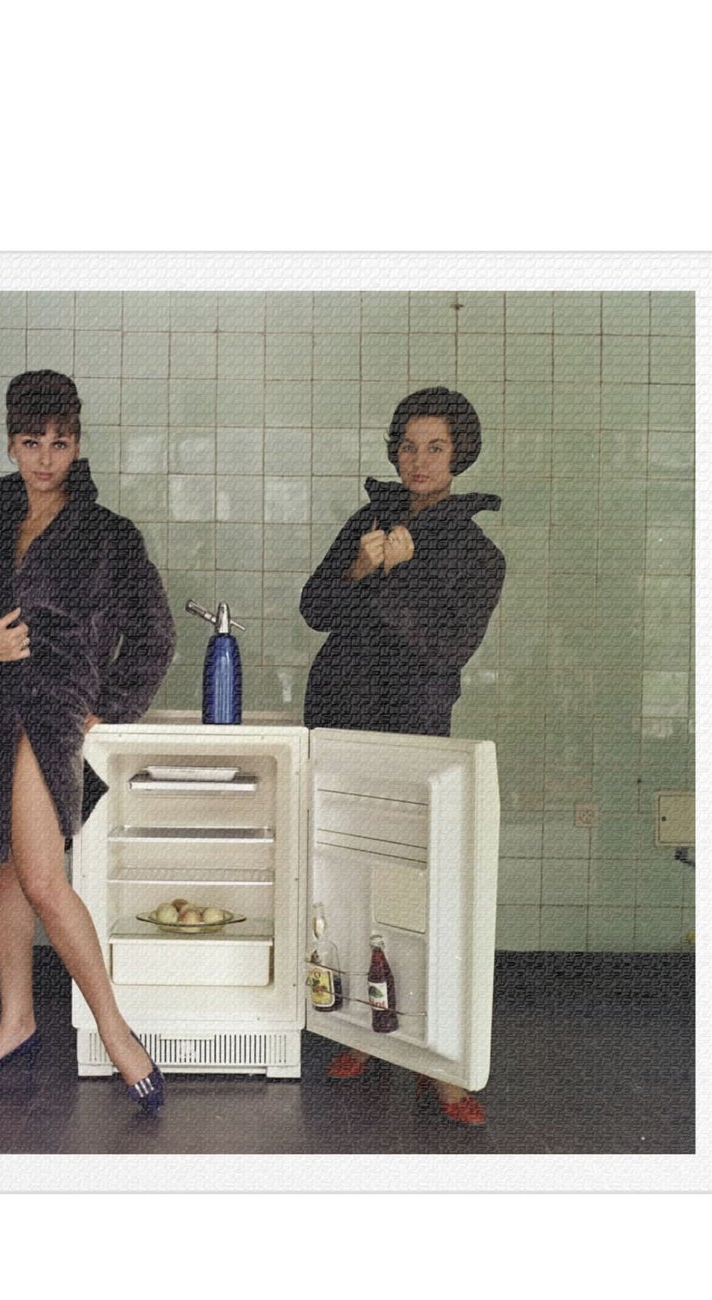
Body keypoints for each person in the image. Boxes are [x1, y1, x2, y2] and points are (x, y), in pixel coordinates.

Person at [0, 370, 175, 1113]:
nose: (44, 458)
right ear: (11, 444)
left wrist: (108, 705)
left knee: (40, 877)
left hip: (49, 714)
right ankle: (16, 1023)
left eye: (59, 443)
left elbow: (155, 634)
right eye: (31, 442)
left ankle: (116, 1033)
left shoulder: (108, 536)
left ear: (77, 445)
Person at [299, 386, 505, 1125]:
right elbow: (315, 609)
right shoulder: (369, 521)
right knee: (342, 882)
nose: (419, 460)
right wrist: (361, 565)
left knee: (420, 894)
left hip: (413, 733)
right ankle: (362, 1028)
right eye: (408, 446)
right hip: (341, 718)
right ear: (394, 451)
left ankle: (436, 1061)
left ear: (459, 455)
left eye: (435, 447)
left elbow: (447, 646)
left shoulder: (478, 554)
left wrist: (399, 571)